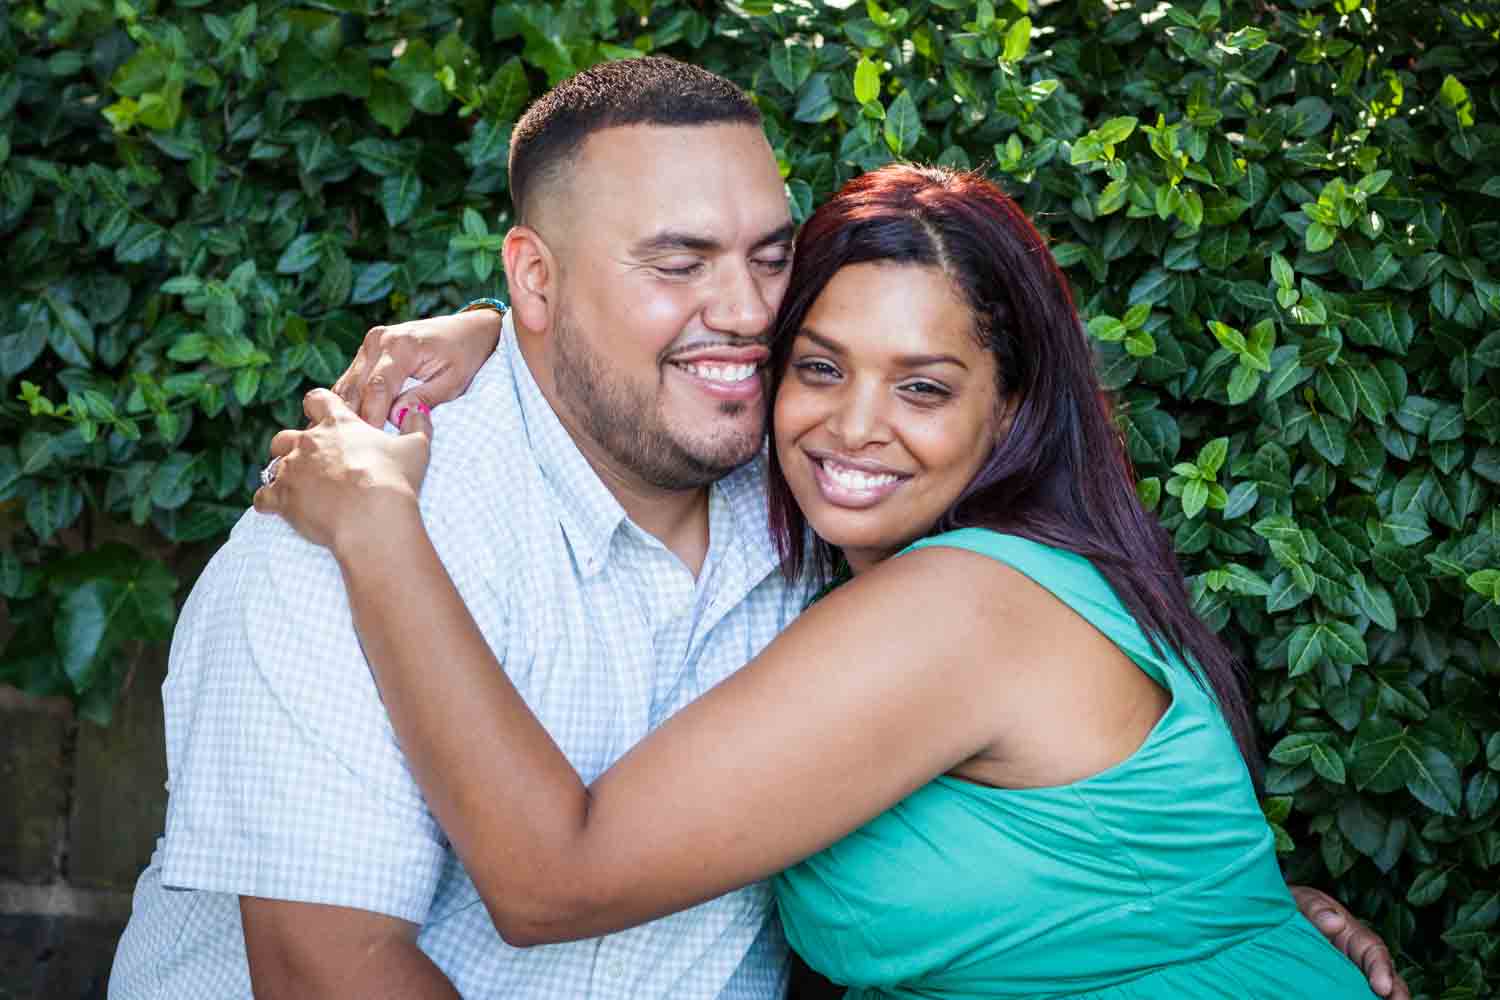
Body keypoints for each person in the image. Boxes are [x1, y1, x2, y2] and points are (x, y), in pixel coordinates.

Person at [108, 56, 1403, 1000]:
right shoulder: (340, 532)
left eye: (769, 260)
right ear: (536, 279)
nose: (741, 315)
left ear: (1015, 403)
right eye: (679, 265)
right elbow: (327, 973)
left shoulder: (893, 574)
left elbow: (555, 875)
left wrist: (1202, 931)